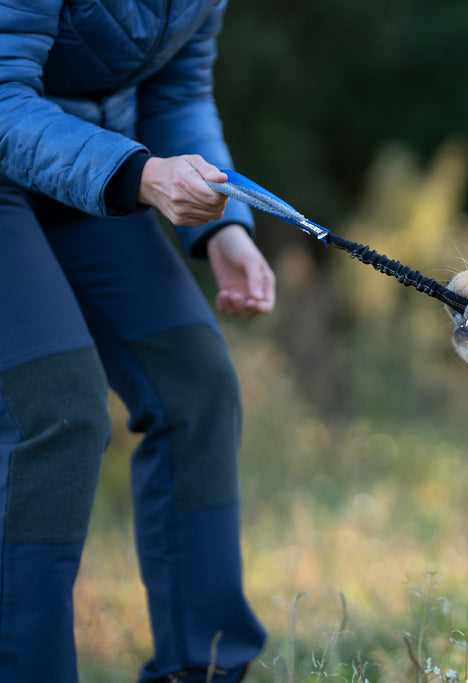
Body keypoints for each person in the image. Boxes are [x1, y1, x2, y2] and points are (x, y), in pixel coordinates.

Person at [0, 2, 275, 681]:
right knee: (58, 409)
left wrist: (224, 228)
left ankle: (204, 668)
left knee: (196, 385)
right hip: (48, 147)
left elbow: (175, 94)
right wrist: (142, 175)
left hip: (87, 167)